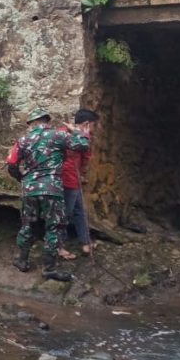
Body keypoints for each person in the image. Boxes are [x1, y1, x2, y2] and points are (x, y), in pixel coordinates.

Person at [6, 107, 89, 282]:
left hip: (29, 190)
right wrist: (76, 131)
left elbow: (11, 163)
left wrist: (22, 179)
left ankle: (22, 261)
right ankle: (49, 268)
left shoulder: (23, 140)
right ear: (46, 121)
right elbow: (82, 145)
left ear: (32, 123)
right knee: (54, 226)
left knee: (27, 224)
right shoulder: (58, 135)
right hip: (52, 189)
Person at [59, 109, 99, 257]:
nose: (94, 129)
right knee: (66, 213)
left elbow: (86, 155)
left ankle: (85, 242)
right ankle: (58, 246)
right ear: (87, 124)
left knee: (79, 211)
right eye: (93, 125)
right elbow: (86, 153)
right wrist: (84, 135)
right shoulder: (67, 134)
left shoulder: (75, 134)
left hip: (74, 180)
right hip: (67, 179)